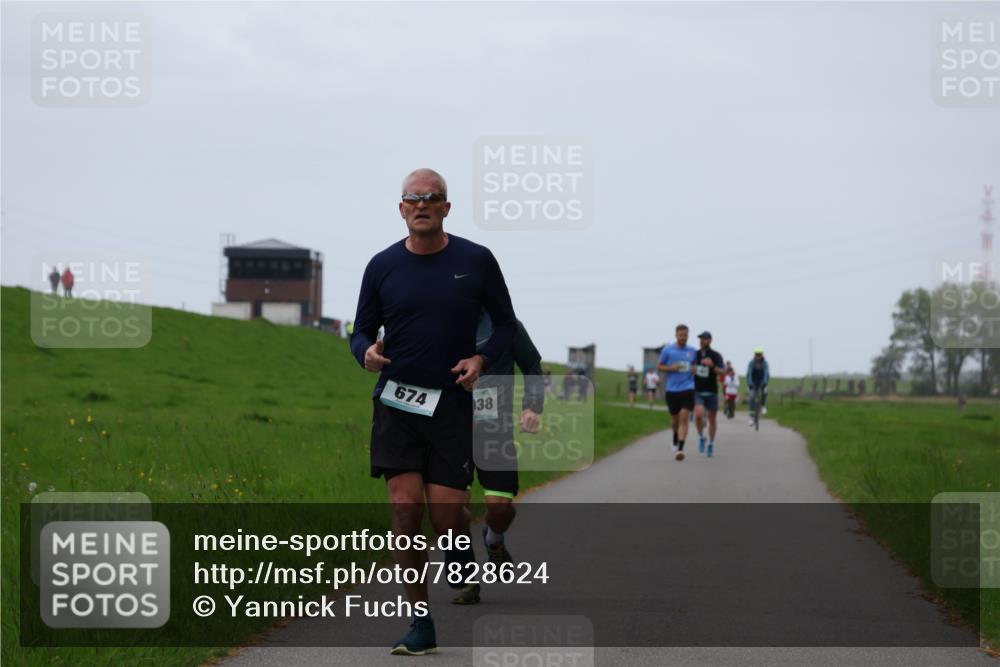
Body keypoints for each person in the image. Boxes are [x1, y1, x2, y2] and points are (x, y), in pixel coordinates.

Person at [350, 168, 516, 656]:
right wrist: (366, 353)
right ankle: (420, 624)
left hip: (452, 405)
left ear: (447, 207)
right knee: (405, 510)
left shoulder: (476, 260)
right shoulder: (381, 266)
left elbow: (506, 324)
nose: (422, 204)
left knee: (446, 518)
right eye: (413, 198)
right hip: (397, 403)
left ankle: (460, 548)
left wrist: (481, 358)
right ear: (401, 209)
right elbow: (360, 331)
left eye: (432, 198)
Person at [456, 311, 545, 604]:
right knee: (452, 508)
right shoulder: (442, 316)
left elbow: (531, 364)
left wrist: (532, 407)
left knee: (500, 507)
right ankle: (465, 582)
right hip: (450, 425)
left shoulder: (506, 325)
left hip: (495, 425)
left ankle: (494, 538)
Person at [658, 324, 697, 460]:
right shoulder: (668, 350)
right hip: (672, 390)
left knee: (684, 416)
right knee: (675, 420)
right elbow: (660, 366)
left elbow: (696, 366)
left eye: (685, 335)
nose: (683, 338)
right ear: (676, 335)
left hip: (688, 388)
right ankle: (675, 435)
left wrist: (695, 369)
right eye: (680, 335)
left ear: (688, 335)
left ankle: (680, 449)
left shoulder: (692, 351)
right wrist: (671, 368)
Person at [693, 332, 725, 458]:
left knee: (712, 419)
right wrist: (692, 369)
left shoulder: (716, 355)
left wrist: (712, 366)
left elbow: (723, 371)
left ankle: (711, 443)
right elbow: (689, 368)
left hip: (712, 391)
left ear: (710, 340)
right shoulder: (695, 354)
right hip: (698, 391)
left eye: (705, 339)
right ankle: (702, 437)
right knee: (699, 414)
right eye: (701, 339)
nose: (702, 341)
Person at [746, 347, 770, 426]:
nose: (758, 356)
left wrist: (765, 383)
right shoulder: (751, 363)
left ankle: (763, 406)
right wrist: (749, 383)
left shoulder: (765, 363)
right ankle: (751, 417)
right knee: (752, 396)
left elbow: (766, 373)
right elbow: (749, 373)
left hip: (761, 381)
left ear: (762, 355)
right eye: (757, 355)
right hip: (753, 382)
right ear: (755, 355)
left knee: (764, 392)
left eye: (759, 355)